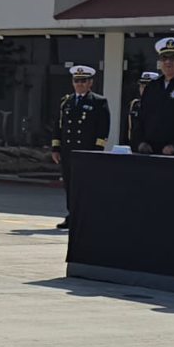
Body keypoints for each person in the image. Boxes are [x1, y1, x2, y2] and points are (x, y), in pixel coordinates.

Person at [50, 65, 110, 229]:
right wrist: (56, 148)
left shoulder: (98, 101)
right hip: (68, 151)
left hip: (86, 151)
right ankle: (72, 216)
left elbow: (103, 128)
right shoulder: (66, 102)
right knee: (70, 186)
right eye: (76, 81)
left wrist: (97, 151)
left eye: (83, 81)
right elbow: (58, 126)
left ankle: (87, 216)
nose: (79, 84)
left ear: (90, 82)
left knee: (85, 186)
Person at [128, 71, 160, 140]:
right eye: (142, 86)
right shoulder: (134, 105)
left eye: (147, 86)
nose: (144, 89)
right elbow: (129, 130)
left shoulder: (163, 105)